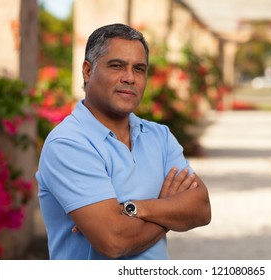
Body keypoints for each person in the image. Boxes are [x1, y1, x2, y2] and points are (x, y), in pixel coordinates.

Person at [36, 23, 211, 260]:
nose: (129, 78)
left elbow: (200, 209)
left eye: (139, 69)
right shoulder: (68, 143)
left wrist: (134, 208)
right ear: (88, 71)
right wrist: (168, 208)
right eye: (117, 66)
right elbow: (114, 241)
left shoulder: (160, 136)